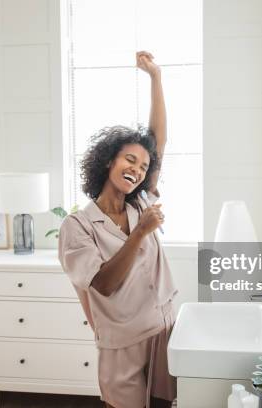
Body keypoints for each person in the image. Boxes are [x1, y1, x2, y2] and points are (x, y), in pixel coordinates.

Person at [58, 51, 177, 408]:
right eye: (130, 159)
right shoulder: (77, 226)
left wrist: (155, 77)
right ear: (109, 161)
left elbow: (158, 140)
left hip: (163, 327)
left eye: (143, 166)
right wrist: (141, 232)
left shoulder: (139, 202)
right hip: (122, 341)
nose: (138, 169)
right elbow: (105, 284)